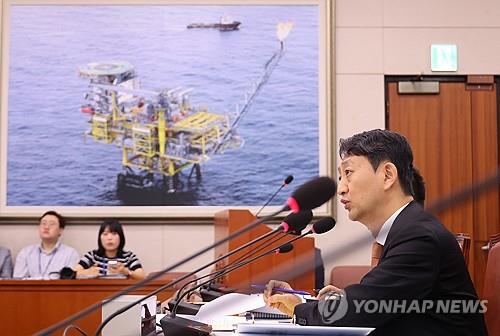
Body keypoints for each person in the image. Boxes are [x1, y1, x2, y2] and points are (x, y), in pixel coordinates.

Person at [264, 129, 487, 335]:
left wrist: (299, 308)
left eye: (348, 173)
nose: (341, 188)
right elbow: (375, 304)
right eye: (341, 177)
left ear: (388, 175)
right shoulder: (407, 228)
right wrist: (310, 303)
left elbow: (359, 312)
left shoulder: (419, 236)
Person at [13, 211, 80, 279]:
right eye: (43, 223)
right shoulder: (25, 253)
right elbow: (18, 281)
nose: (46, 227)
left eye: (52, 224)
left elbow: (70, 283)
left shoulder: (71, 254)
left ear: (60, 230)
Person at [74, 219, 146, 280]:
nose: (109, 238)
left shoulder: (128, 256)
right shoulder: (92, 256)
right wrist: (87, 272)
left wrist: (126, 271)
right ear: (100, 238)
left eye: (114, 234)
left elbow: (143, 276)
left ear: (121, 237)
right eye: (105, 234)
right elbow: (71, 274)